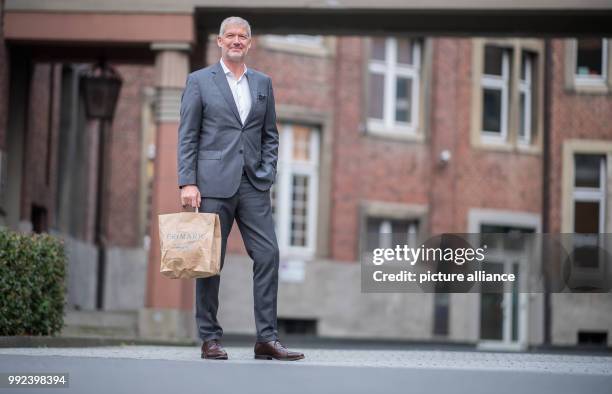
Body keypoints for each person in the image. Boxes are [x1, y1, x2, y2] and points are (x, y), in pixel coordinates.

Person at [177, 16, 304, 361]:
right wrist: (188, 181)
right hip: (212, 185)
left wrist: (268, 170)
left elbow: (270, 134)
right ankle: (209, 339)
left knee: (268, 254)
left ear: (250, 43)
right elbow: (188, 134)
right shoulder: (200, 81)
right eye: (230, 35)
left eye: (242, 36)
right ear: (219, 41)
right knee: (210, 263)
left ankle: (266, 338)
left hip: (253, 184)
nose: (236, 40)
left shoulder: (262, 83)